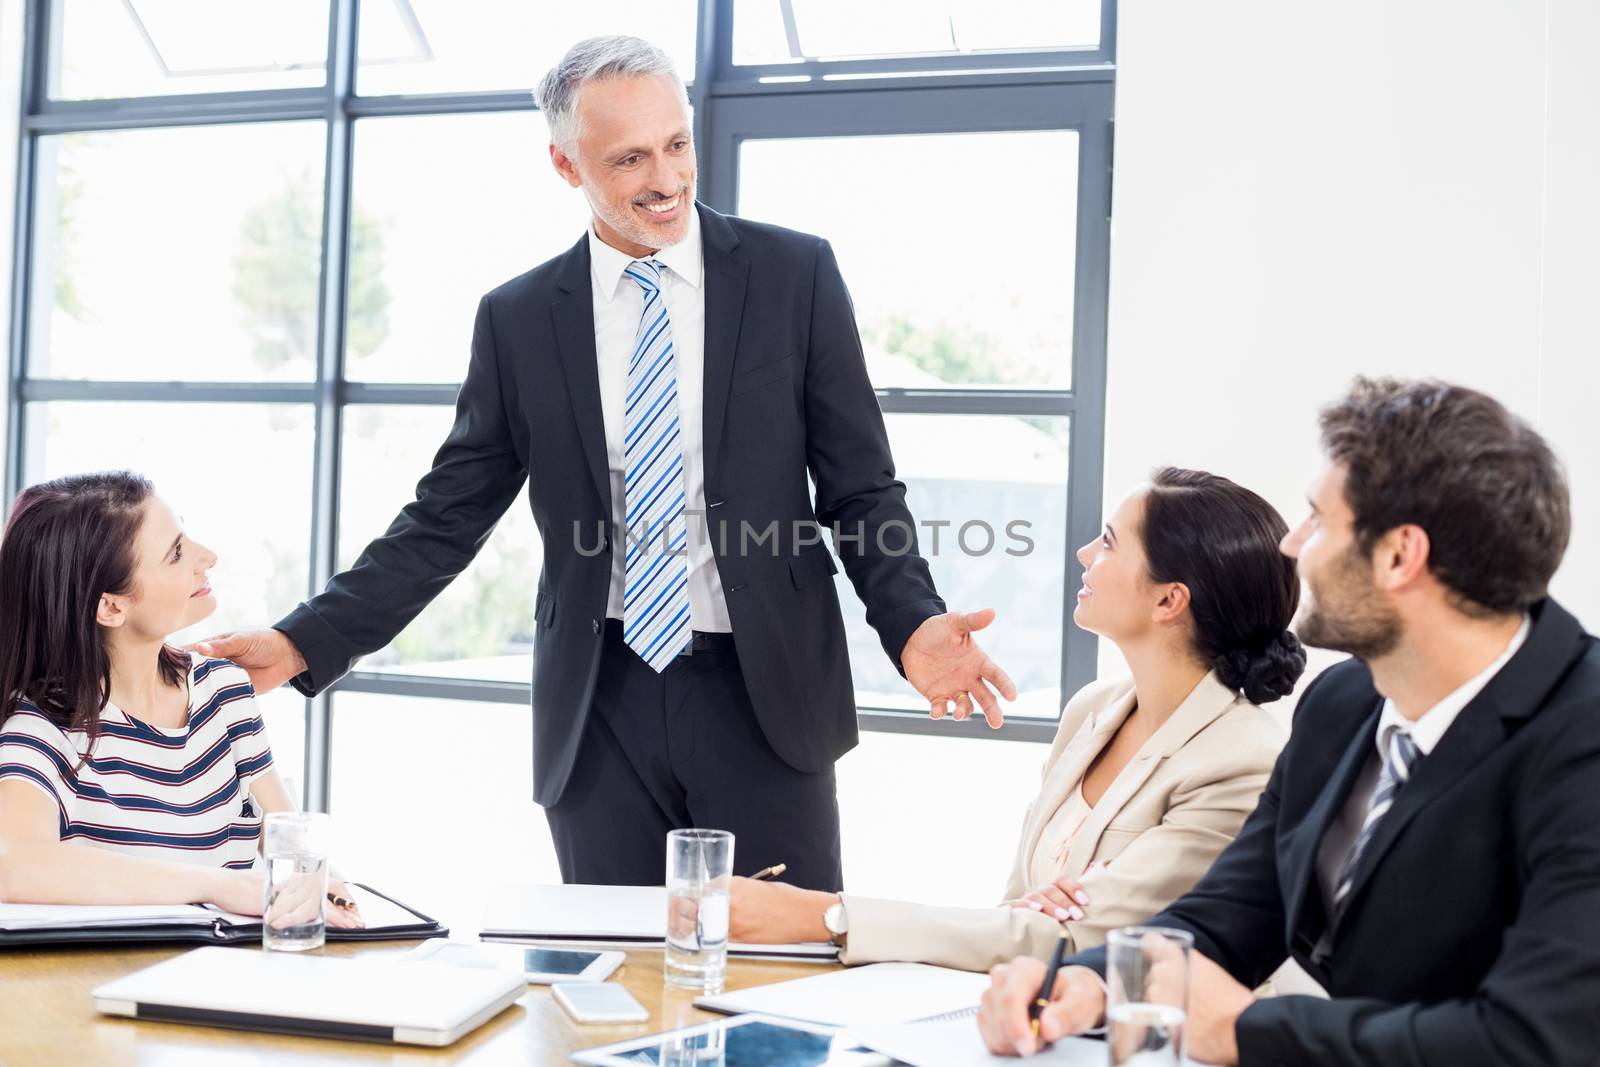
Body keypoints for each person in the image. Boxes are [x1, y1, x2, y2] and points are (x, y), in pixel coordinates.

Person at [188, 35, 1014, 891]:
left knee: (783, 975)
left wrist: (911, 622)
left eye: (676, 144)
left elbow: (860, 486)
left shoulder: (792, 275)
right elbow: (446, 517)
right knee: (608, 975)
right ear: (564, 162)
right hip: (600, 705)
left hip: (764, 695)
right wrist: (302, 639)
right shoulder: (516, 320)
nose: (666, 179)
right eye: (629, 159)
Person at [977, 377, 1600, 1066]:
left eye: (1317, 520)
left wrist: (1243, 1031)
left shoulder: (1584, 739)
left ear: (1400, 555)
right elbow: (1229, 916)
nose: (1291, 545)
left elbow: (1539, 1039)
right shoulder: (1342, 706)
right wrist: (1089, 984)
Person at [727, 468, 1303, 970]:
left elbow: (1080, 939)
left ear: (1168, 601)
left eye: (1107, 543)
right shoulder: (1094, 710)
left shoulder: (1240, 762)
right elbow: (1020, 917)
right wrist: (1025, 927)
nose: (1085, 554)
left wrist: (826, 916)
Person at [0, 472, 361, 927]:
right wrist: (220, 886)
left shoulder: (223, 691)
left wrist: (324, 886)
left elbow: (288, 840)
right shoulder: (41, 727)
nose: (207, 557)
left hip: (223, 974)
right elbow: (17, 866)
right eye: (175, 553)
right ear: (111, 606)